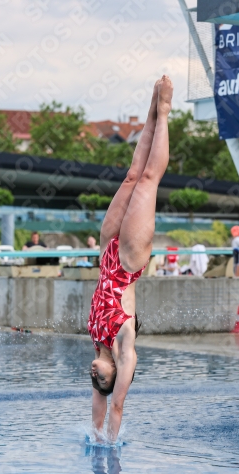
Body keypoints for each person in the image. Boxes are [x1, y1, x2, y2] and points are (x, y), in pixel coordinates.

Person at [87, 75, 173, 443]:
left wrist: (93, 433)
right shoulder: (125, 348)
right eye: (100, 377)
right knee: (150, 178)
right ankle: (165, 112)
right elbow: (115, 404)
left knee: (131, 177)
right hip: (128, 264)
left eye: (95, 379)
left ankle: (151, 109)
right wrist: (109, 443)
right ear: (116, 371)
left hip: (107, 252)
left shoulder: (97, 343)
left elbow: (98, 403)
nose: (95, 374)